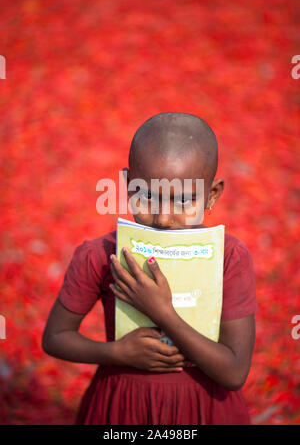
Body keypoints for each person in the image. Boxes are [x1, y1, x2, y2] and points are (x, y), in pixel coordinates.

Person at [42, 112, 257, 425]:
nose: (162, 219)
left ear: (212, 195)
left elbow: (235, 372)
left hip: (205, 408)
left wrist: (164, 314)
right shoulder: (100, 256)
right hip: (124, 408)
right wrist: (116, 353)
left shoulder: (229, 258)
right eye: (146, 198)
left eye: (183, 201)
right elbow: (56, 337)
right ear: (128, 186)